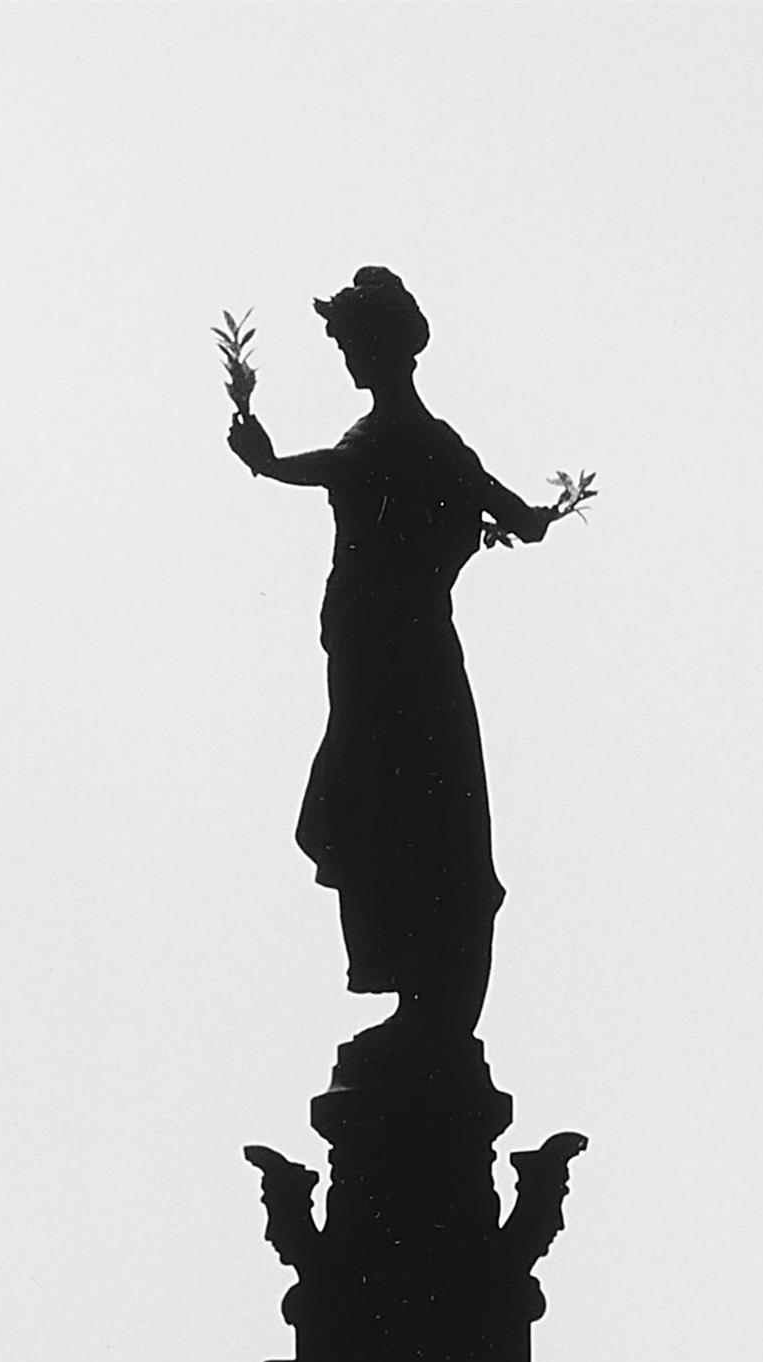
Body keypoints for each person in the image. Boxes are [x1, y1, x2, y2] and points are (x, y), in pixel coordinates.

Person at [228, 268, 562, 1036]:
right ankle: (423, 996)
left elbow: (332, 471)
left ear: (379, 348)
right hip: (406, 659)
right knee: (414, 813)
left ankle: (418, 992)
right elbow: (517, 515)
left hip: (386, 663)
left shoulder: (389, 442)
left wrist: (266, 461)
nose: (345, 360)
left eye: (349, 344)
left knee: (388, 808)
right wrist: (531, 518)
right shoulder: (443, 447)